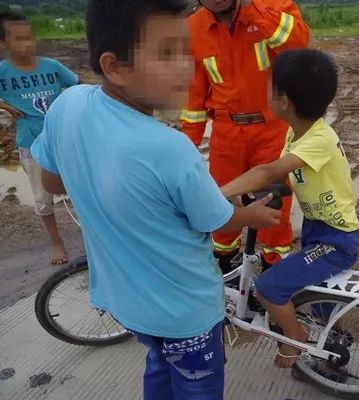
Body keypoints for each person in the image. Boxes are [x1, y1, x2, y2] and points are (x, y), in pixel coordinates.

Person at [30, 1, 280, 399]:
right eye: (167, 53)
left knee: (160, 364)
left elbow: (53, 181)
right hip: (187, 314)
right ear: (115, 66)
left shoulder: (69, 103)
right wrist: (252, 213)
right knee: (197, 387)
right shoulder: (169, 148)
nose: (186, 64)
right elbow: (217, 220)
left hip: (126, 303)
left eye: (186, 48)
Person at [221, 49, 359, 368]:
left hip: (335, 240)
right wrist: (249, 194)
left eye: (271, 88)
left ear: (284, 100)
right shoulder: (300, 132)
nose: (267, 93)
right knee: (316, 294)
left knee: (268, 288)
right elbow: (281, 177)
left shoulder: (318, 140)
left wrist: (219, 193)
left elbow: (269, 171)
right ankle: (331, 341)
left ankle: (295, 339)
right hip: (319, 230)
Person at [182, 0, 310, 274]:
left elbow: (299, 45)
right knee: (221, 202)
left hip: (273, 130)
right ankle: (225, 269)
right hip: (226, 134)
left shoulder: (274, 6)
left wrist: (254, 11)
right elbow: (193, 95)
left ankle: (273, 276)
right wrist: (186, 146)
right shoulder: (193, 29)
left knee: (274, 207)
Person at [0, 12, 79, 265]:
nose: (27, 43)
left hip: (63, 142)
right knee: (43, 198)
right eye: (18, 38)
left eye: (29, 37)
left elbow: (79, 87)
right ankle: (57, 242)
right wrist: (5, 106)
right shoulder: (2, 72)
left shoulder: (53, 66)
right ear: (4, 43)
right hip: (30, 144)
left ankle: (93, 236)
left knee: (80, 190)